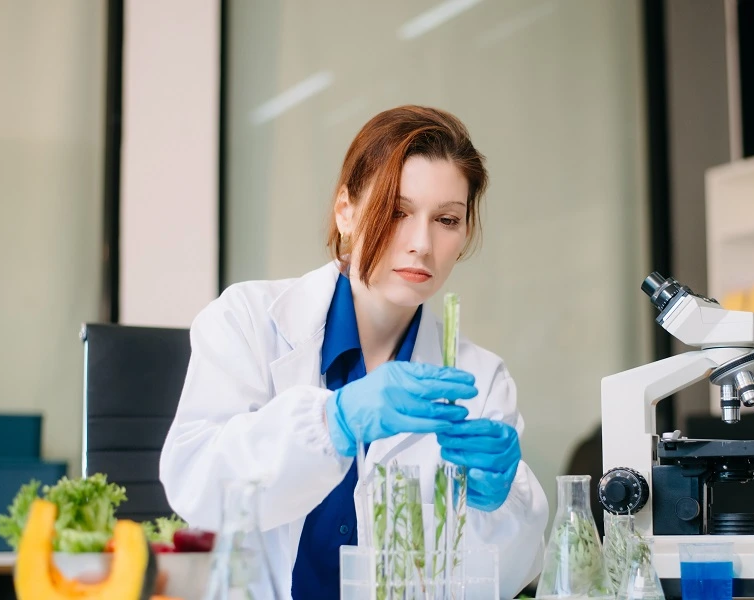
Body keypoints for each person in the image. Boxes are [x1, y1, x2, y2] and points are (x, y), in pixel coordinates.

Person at [159, 105, 549, 599]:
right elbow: (196, 483)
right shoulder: (248, 321)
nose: (421, 244)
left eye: (447, 219)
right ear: (345, 211)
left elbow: (497, 581)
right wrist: (332, 423)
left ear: (464, 232)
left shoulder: (480, 377)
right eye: (397, 212)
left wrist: (495, 505)